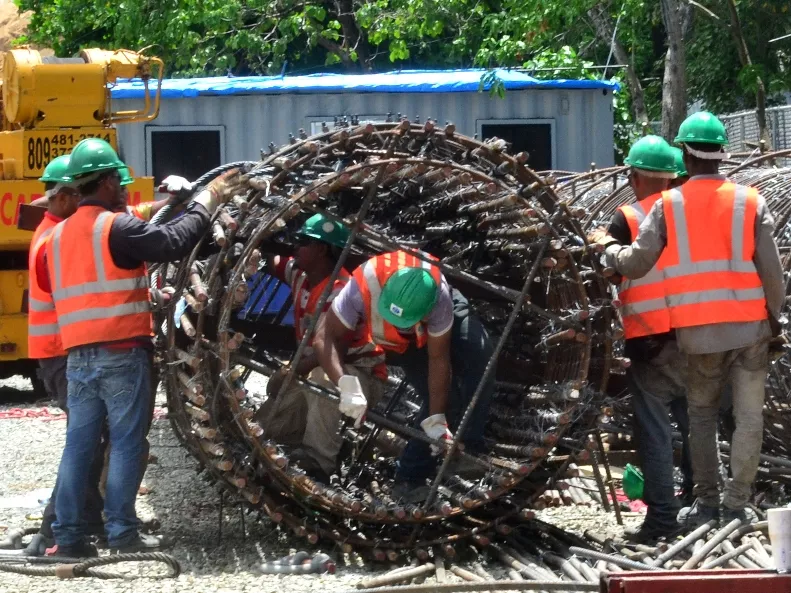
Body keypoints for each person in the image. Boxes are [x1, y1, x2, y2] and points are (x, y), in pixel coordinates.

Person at [45, 138, 243, 557]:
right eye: (118, 179)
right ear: (104, 181)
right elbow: (171, 241)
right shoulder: (114, 227)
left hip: (78, 356)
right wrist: (207, 202)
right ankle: (122, 535)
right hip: (120, 352)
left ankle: (68, 538)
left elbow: (90, 290)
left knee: (78, 446)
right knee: (127, 441)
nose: (123, 187)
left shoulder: (57, 236)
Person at [591, 112, 784, 528]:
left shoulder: (660, 209)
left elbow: (633, 264)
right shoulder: (749, 200)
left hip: (688, 334)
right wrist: (776, 319)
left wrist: (606, 252)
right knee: (745, 419)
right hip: (745, 327)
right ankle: (734, 505)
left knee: (690, 420)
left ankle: (691, 508)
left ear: (685, 154)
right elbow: (772, 271)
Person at [314, 250, 495, 503]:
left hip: (441, 311)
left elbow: (438, 359)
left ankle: (469, 447)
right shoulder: (360, 286)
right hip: (405, 343)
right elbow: (324, 337)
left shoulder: (439, 300)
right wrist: (345, 384)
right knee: (448, 398)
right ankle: (410, 478)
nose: (401, 325)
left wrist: (436, 421)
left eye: (406, 322)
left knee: (480, 356)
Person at [256, 214, 386, 483]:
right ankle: (295, 449)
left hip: (357, 376)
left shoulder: (341, 291)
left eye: (303, 242)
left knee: (321, 381)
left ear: (322, 249)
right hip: (315, 366)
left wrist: (289, 372)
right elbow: (277, 261)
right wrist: (261, 239)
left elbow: (328, 352)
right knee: (266, 424)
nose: (296, 247)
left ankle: (319, 462)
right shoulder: (302, 276)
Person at [606, 136, 691, 543]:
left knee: (655, 432)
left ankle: (661, 520)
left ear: (635, 177)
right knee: (700, 426)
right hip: (701, 335)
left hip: (651, 342)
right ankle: (702, 504)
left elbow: (607, 274)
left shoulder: (627, 219)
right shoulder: (694, 214)